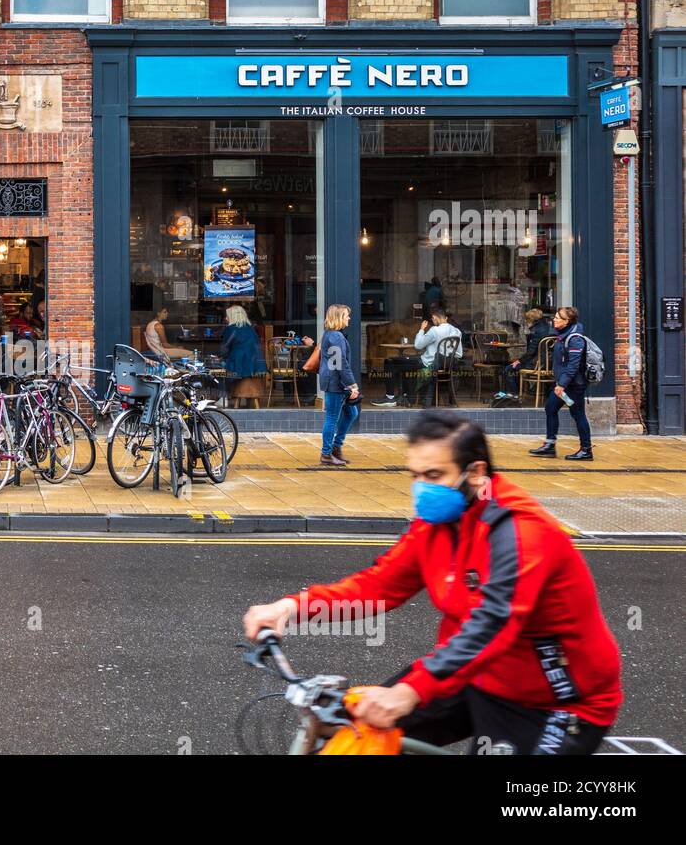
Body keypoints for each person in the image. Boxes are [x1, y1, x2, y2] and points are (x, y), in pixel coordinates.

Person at [243, 411, 622, 754]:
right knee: (355, 737)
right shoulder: (437, 523)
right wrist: (293, 607)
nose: (422, 487)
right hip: (468, 675)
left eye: (434, 475)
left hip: (551, 701)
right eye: (416, 476)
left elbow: (492, 626)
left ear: (475, 473)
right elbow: (380, 586)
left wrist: (411, 691)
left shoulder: (521, 533)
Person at [530, 306, 593, 461]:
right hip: (563, 384)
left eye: (558, 317)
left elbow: (573, 366)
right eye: (555, 316)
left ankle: (586, 450)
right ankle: (550, 445)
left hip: (573, 386)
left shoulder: (575, 339)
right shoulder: (563, 335)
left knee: (578, 415)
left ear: (567, 321)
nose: (554, 319)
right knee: (550, 408)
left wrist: (561, 385)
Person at [372, 308, 462, 408]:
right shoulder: (457, 331)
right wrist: (445, 361)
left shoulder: (435, 330)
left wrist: (422, 329)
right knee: (406, 362)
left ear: (435, 318)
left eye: (433, 319)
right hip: (445, 366)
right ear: (445, 318)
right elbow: (459, 354)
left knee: (390, 362)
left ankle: (390, 397)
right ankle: (406, 396)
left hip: (427, 364)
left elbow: (418, 345)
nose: (433, 321)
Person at [318, 303, 359, 467]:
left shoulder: (332, 335)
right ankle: (326, 453)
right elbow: (340, 363)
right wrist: (352, 384)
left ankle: (336, 447)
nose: (349, 318)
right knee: (332, 418)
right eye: (346, 315)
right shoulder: (335, 336)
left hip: (336, 382)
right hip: (335, 383)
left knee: (351, 413)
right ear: (338, 317)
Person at [495, 307, 551, 401]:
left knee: (509, 368)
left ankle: (514, 394)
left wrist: (519, 360)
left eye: (527, 320)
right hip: (549, 363)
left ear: (530, 320)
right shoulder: (548, 327)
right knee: (516, 367)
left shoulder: (535, 332)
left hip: (538, 364)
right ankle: (517, 392)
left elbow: (531, 352)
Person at [220, 305, 267, 408]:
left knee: (218, 370)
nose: (225, 318)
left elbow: (225, 348)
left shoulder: (231, 329)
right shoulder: (251, 329)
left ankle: (222, 397)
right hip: (255, 365)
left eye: (227, 316)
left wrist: (221, 358)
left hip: (239, 364)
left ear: (233, 317)